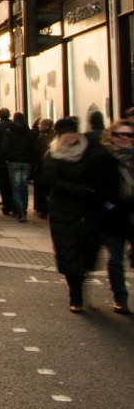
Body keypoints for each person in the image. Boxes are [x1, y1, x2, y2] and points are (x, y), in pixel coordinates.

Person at [43, 116, 119, 313]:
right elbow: (53, 182)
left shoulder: (92, 151)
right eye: (65, 133)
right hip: (64, 212)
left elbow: (105, 173)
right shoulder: (52, 155)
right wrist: (84, 191)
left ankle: (80, 284)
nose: (70, 136)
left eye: (72, 132)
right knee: (69, 253)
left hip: (90, 210)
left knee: (88, 251)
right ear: (59, 136)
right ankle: (75, 295)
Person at [100, 119, 134, 314]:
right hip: (114, 215)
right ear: (110, 136)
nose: (124, 138)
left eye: (129, 135)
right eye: (119, 134)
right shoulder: (104, 158)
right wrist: (108, 205)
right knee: (115, 260)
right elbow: (97, 187)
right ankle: (120, 297)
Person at [2, 111, 38, 222]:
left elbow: (5, 147)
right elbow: (35, 149)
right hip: (26, 162)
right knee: (24, 187)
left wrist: (6, 158)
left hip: (13, 161)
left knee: (16, 188)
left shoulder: (9, 132)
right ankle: (24, 211)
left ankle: (20, 211)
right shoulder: (31, 133)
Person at [32, 117, 55, 218]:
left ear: (45, 126)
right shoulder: (55, 135)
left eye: (40, 125)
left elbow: (37, 151)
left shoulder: (40, 136)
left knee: (40, 186)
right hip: (52, 165)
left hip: (42, 164)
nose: (39, 126)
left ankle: (42, 208)